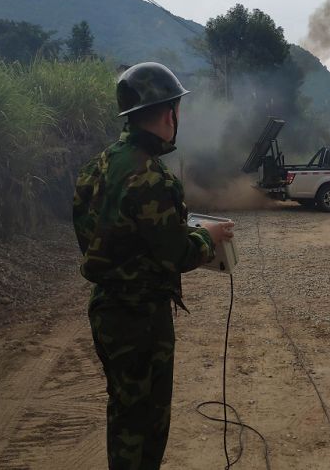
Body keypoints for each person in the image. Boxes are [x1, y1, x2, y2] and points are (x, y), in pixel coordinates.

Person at [73, 62, 234, 470]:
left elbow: (92, 236)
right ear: (169, 113)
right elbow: (177, 256)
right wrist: (207, 237)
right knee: (145, 421)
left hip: (107, 309)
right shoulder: (151, 177)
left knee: (124, 409)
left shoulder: (99, 165)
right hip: (141, 318)